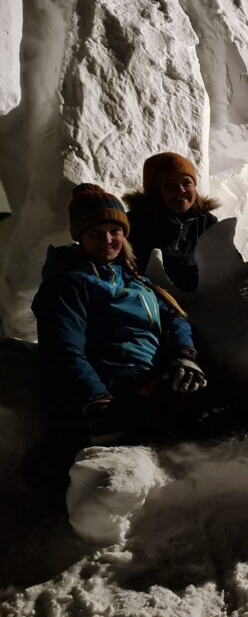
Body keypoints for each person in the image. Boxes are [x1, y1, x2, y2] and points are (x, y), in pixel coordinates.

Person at [30, 184, 207, 473]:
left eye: (115, 231)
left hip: (149, 381)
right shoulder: (68, 284)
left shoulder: (137, 282)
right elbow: (63, 347)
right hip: (111, 391)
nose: (108, 240)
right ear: (79, 237)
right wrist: (96, 400)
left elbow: (174, 319)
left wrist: (185, 355)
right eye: (95, 233)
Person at [125, 152, 219, 292]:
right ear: (156, 192)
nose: (180, 190)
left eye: (186, 182)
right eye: (169, 185)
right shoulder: (134, 223)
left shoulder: (207, 222)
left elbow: (228, 262)